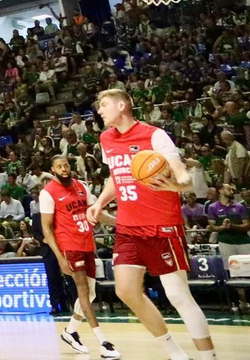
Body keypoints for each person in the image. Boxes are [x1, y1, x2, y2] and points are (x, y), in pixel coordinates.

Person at [86, 88, 216, 360]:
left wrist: (176, 185)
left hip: (161, 225)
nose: (99, 110)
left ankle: (208, 357)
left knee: (178, 295)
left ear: (122, 106)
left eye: (104, 104)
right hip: (128, 226)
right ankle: (175, 353)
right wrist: (100, 202)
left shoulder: (154, 135)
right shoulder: (106, 138)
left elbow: (184, 177)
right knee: (126, 290)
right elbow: (116, 176)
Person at [39, 155, 118, 359]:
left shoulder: (81, 185)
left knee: (90, 294)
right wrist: (59, 257)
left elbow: (96, 213)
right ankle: (103, 342)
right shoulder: (48, 193)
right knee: (83, 293)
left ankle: (70, 332)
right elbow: (46, 228)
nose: (64, 169)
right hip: (69, 247)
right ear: (53, 170)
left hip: (87, 244)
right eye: (59, 166)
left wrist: (120, 223)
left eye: (66, 165)